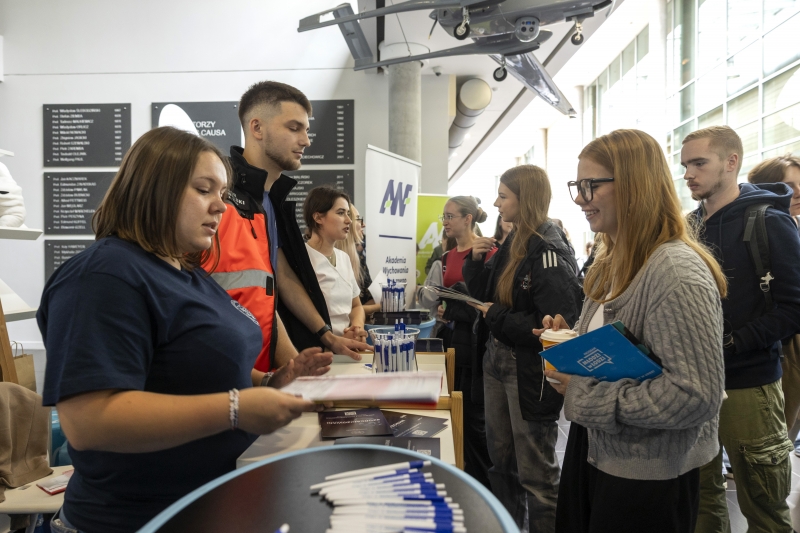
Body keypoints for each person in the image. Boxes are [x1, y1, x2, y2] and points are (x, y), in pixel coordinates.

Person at [39, 127, 331, 533]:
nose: (221, 207)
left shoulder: (185, 271)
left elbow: (190, 366)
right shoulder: (104, 275)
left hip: (212, 507)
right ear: (153, 188)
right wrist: (236, 409)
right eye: (203, 189)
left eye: (223, 193)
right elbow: (88, 421)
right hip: (135, 521)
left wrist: (270, 380)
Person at [536, 129, 727, 533]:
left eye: (592, 186)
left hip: (647, 474)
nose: (581, 198)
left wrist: (583, 395)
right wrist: (573, 344)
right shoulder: (611, 259)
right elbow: (625, 347)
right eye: (577, 185)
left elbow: (696, 395)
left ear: (635, 184)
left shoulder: (675, 272)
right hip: (596, 451)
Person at [682, 127, 800, 533]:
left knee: (764, 508)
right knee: (702, 502)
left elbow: (794, 307)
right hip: (694, 384)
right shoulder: (687, 227)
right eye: (685, 165)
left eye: (699, 163)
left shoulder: (769, 220)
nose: (689, 174)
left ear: (731, 163)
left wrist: (732, 343)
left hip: (749, 385)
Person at [463, 166, 584, 532]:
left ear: (525, 199)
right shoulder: (514, 243)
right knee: (502, 465)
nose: (496, 204)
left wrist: (497, 317)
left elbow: (554, 325)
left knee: (536, 472)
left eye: (503, 196)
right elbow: (486, 298)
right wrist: (473, 262)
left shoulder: (548, 249)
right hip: (497, 360)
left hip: (527, 368)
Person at [232, 81, 368, 361]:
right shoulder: (224, 198)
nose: (306, 140)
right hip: (230, 367)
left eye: (306, 130)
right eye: (294, 128)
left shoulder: (272, 201)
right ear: (257, 128)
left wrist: (326, 336)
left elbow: (281, 278)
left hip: (263, 361)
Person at [437, 196, 495, 490]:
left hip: (477, 344)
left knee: (475, 419)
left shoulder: (486, 251)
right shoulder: (447, 256)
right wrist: (443, 310)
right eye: (443, 217)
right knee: (454, 411)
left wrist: (457, 309)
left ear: (468, 218)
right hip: (452, 342)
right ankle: (462, 479)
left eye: (450, 216)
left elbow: (489, 300)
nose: (445, 222)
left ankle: (483, 486)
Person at [747, 155, 800, 447]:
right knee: (778, 432)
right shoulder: (763, 226)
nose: (797, 192)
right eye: (788, 185)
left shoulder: (791, 224)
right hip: (781, 343)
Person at [304, 186, 367, 340]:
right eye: (340, 213)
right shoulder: (303, 259)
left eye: (348, 214)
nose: (349, 220)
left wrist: (356, 327)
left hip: (346, 349)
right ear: (318, 218)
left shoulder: (344, 258)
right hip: (318, 350)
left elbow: (356, 306)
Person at [337, 203, 380, 318]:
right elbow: (344, 311)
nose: (363, 225)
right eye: (358, 219)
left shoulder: (359, 258)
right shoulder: (324, 259)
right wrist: (381, 306)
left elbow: (367, 301)